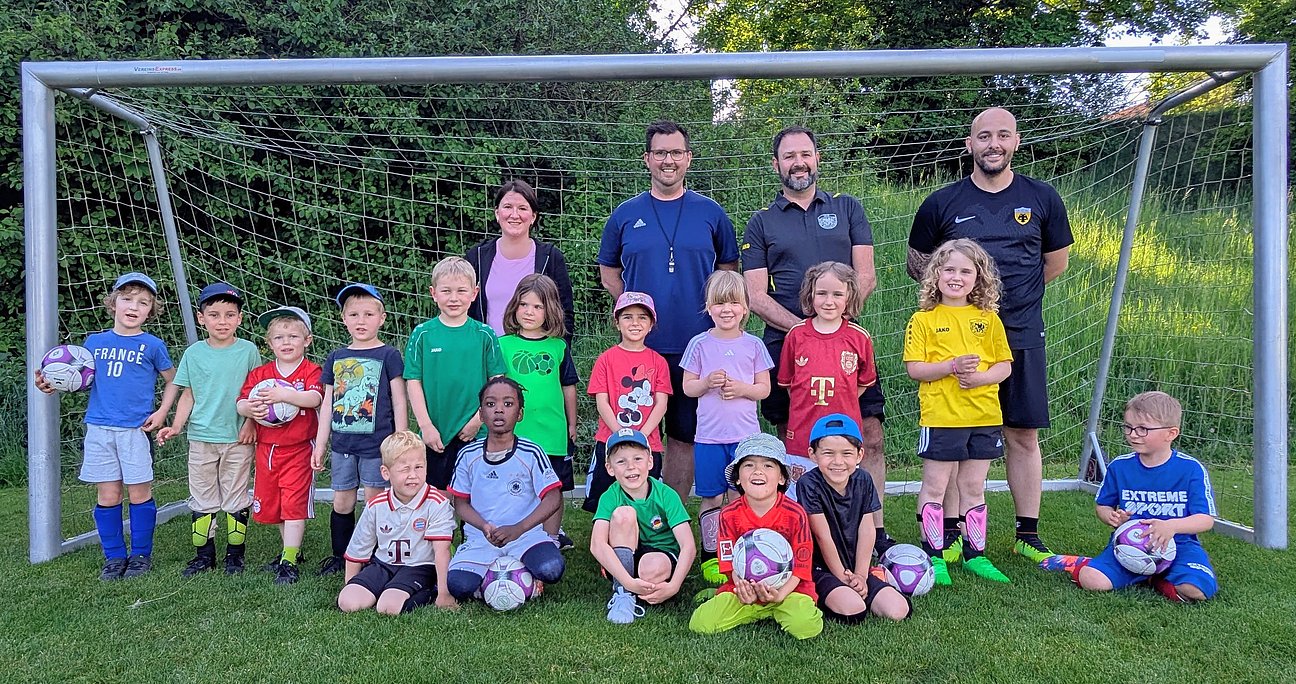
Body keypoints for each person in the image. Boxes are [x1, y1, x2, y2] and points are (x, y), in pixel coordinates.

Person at [907, 107, 1073, 563]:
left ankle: (1028, 532)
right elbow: (918, 263)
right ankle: (955, 533)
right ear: (970, 145)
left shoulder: (1042, 197)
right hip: (955, 344)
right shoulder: (942, 202)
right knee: (959, 435)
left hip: (1016, 331)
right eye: (984, 136)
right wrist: (958, 304)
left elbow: (1054, 264)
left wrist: (998, 303)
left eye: (1002, 135)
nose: (993, 144)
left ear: (1016, 141)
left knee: (1021, 433)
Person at [742, 125, 892, 552]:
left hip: (845, 343)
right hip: (788, 344)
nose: (798, 162)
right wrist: (807, 333)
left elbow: (865, 275)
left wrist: (834, 327)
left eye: (805, 153)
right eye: (789, 156)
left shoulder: (848, 209)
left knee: (869, 433)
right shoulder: (762, 221)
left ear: (817, 158)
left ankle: (872, 529)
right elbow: (754, 294)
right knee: (795, 439)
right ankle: (798, 529)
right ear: (777, 165)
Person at [598, 120, 740, 502]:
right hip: (641, 348)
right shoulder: (625, 214)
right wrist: (631, 307)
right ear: (647, 159)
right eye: (660, 152)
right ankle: (630, 511)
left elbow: (728, 270)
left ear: (688, 159)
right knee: (638, 429)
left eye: (676, 152)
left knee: (684, 434)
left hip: (697, 346)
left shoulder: (710, 212)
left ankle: (669, 511)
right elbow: (608, 271)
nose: (668, 160)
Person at [35, 272, 177, 580]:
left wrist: (162, 412)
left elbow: (173, 381)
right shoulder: (94, 343)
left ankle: (140, 555)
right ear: (113, 304)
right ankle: (114, 558)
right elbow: (81, 380)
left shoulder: (152, 345)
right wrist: (53, 383)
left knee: (139, 492)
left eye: (143, 302)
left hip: (135, 431)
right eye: (127, 299)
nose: (134, 306)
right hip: (99, 429)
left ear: (150, 311)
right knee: (109, 494)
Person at [903, 239, 1013, 585]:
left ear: (978, 278)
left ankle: (975, 556)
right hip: (941, 418)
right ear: (935, 275)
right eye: (948, 269)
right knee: (935, 485)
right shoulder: (923, 320)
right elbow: (915, 369)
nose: (956, 277)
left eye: (966, 271)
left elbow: (1004, 366)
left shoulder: (988, 319)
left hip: (983, 416)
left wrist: (980, 378)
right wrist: (950, 366)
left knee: (973, 486)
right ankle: (934, 558)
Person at [1073, 391, 1218, 603]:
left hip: (1179, 545)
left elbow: (1205, 519)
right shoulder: (1120, 467)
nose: (1133, 434)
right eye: (1128, 427)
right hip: (1128, 545)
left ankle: (1155, 578)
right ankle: (1144, 573)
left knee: (1196, 590)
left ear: (1171, 433)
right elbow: (1103, 505)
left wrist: (1171, 527)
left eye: (1143, 429)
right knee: (1091, 580)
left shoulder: (1190, 469)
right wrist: (1112, 517)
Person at [157, 282, 260, 576]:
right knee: (202, 496)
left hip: (238, 437)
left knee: (236, 496)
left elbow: (257, 390)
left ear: (239, 318)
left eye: (229, 314)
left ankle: (235, 555)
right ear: (202, 318)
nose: (222, 321)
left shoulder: (248, 351)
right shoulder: (194, 353)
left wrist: (251, 422)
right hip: (201, 437)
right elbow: (188, 393)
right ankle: (204, 555)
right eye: (214, 315)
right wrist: (176, 425)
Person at [680, 270, 772, 584]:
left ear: (745, 308)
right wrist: (705, 382)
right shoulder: (699, 344)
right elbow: (688, 387)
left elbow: (764, 389)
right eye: (719, 303)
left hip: (745, 442)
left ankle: (743, 553)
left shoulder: (754, 345)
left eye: (733, 303)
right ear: (708, 307)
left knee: (739, 498)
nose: (726, 309)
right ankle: (711, 556)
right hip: (708, 438)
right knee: (711, 498)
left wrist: (743, 389)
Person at [312, 283, 408, 576]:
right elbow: (327, 403)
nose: (361, 321)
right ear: (343, 319)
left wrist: (401, 439)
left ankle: (375, 555)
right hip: (342, 446)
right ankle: (341, 556)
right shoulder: (336, 357)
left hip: (376, 445)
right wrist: (320, 444)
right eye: (354, 314)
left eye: (368, 314)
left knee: (375, 500)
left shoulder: (389, 355)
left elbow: (399, 398)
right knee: (342, 500)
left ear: (382, 318)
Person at [689, 432, 822, 640]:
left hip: (789, 591)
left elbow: (803, 564)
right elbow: (727, 560)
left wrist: (781, 594)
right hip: (743, 589)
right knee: (701, 624)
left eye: (768, 466)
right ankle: (750, 608)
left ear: (781, 477)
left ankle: (776, 607)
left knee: (806, 627)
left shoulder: (796, 514)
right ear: (738, 479)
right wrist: (742, 587)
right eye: (749, 465)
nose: (758, 471)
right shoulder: (728, 515)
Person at [446, 378, 566, 602]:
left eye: (508, 404)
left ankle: (522, 574)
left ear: (520, 414)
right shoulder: (467, 455)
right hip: (482, 538)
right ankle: (498, 574)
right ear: (481, 415)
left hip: (525, 536)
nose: (499, 410)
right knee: (458, 586)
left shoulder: (532, 452)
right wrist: (484, 526)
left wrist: (519, 528)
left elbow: (552, 497)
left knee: (551, 569)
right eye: (490, 404)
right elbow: (460, 502)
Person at [236, 305, 323, 586]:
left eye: (293, 336)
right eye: (279, 337)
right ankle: (291, 552)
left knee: (294, 504)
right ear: (269, 343)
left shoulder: (311, 371)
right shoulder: (261, 374)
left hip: (298, 448)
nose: (286, 342)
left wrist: (285, 394)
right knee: (276, 505)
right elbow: (242, 402)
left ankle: (288, 561)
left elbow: (314, 399)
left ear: (307, 340)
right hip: (267, 449)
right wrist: (252, 410)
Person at [797, 414, 912, 622]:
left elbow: (867, 531)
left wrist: (860, 575)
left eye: (846, 453)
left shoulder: (863, 480)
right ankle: (826, 594)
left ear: (859, 455)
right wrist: (843, 578)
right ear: (812, 454)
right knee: (854, 609)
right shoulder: (808, 484)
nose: (838, 462)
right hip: (821, 568)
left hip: (855, 566)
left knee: (898, 610)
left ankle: (863, 582)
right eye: (828, 453)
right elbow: (823, 537)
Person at [777, 261, 877, 500]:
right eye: (821, 293)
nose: (828, 301)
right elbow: (790, 384)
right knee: (800, 495)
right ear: (810, 294)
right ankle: (801, 537)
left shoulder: (858, 338)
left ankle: (839, 537)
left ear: (849, 296)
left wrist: (843, 398)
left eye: (837, 294)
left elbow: (863, 382)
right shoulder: (796, 336)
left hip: (843, 432)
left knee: (841, 493)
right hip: (803, 433)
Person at [405, 256, 506, 490]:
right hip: (437, 433)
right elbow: (413, 382)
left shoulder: (484, 334)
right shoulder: (422, 334)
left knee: (476, 493)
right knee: (438, 496)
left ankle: (472, 529)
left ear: (474, 292)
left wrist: (479, 419)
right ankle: (442, 529)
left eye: (461, 291)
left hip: (477, 431)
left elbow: (497, 384)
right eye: (446, 291)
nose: (453, 298)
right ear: (433, 293)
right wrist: (426, 426)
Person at [498, 273, 580, 550]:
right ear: (514, 307)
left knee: (552, 489)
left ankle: (551, 540)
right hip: (516, 432)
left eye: (537, 307)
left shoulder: (558, 347)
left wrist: (572, 423)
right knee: (515, 485)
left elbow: (568, 387)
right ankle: (515, 537)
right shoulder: (503, 345)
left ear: (550, 311)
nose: (529, 312)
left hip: (552, 432)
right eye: (524, 305)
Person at [338, 431, 457, 615]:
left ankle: (428, 592)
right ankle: (385, 589)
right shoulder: (376, 505)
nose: (413, 475)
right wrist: (350, 584)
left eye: (419, 467)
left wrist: (444, 593)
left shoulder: (437, 503)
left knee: (388, 607)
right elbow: (358, 548)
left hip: (419, 567)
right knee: (348, 602)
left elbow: (441, 551)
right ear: (386, 472)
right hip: (383, 564)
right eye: (404, 469)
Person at [590, 428, 696, 624]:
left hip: (660, 553)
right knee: (623, 514)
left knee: (651, 569)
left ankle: (633, 578)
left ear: (650, 462)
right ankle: (623, 592)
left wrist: (674, 586)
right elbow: (597, 544)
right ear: (610, 468)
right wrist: (628, 582)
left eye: (637, 459)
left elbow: (688, 546)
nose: (631, 467)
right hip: (628, 549)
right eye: (621, 461)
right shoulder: (609, 496)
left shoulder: (666, 494)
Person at [582, 291, 671, 513]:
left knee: (647, 499)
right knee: (605, 498)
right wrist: (620, 433)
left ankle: (645, 541)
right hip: (610, 439)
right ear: (617, 323)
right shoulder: (605, 359)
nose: (635, 323)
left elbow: (661, 403)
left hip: (647, 442)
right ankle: (605, 541)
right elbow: (602, 401)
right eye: (627, 317)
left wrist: (640, 437)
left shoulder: (658, 362)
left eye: (642, 317)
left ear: (651, 324)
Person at [465, 179, 575, 339]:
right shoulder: (477, 257)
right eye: (508, 207)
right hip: (488, 356)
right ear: (497, 213)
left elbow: (566, 313)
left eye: (522, 208)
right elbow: (463, 309)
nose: (514, 215)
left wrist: (558, 355)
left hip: (533, 358)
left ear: (533, 216)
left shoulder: (550, 258)